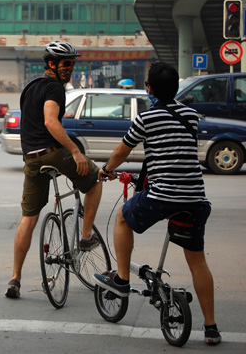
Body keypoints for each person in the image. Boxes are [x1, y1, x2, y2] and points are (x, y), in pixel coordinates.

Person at [94, 62, 221, 345]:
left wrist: (106, 169)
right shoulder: (191, 115)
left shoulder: (146, 118)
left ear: (149, 88)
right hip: (195, 199)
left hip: (162, 196)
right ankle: (211, 327)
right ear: (176, 88)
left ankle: (123, 281)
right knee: (197, 260)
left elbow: (121, 151)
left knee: (122, 219)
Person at [5, 41, 103, 299]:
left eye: (72, 64)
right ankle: (85, 237)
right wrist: (75, 151)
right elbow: (50, 121)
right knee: (95, 182)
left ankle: (15, 278)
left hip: (31, 158)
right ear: (52, 64)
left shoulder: (30, 88)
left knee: (29, 218)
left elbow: (34, 121)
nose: (70, 68)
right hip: (52, 153)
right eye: (66, 64)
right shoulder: (55, 87)